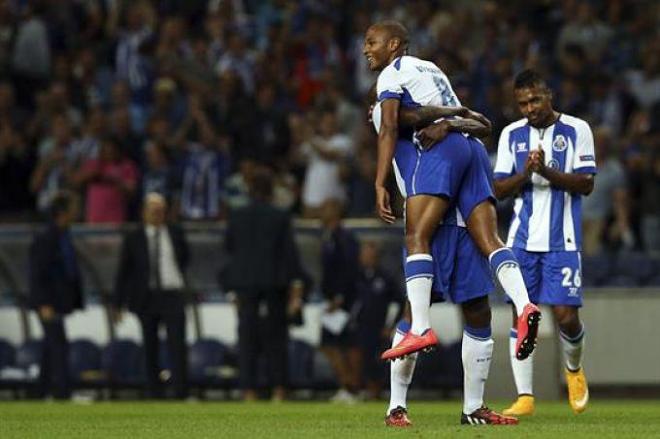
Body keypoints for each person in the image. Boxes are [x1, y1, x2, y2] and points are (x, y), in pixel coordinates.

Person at [363, 20, 540, 364]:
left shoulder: (390, 76)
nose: (365, 49)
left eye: (372, 42)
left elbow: (389, 128)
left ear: (395, 44)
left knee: (416, 237)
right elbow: (482, 124)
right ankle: (524, 304)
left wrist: (379, 182)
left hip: (442, 156)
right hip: (471, 149)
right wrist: (450, 119)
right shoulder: (433, 70)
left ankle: (421, 329)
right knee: (491, 239)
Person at [370, 101, 518, 425]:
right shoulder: (396, 128)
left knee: (478, 308)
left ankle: (473, 408)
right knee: (413, 311)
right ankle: (396, 407)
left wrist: (451, 121)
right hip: (428, 224)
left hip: (464, 222)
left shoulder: (438, 119)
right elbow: (397, 120)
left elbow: (481, 123)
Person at [493, 69, 596, 416]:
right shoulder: (511, 135)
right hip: (520, 241)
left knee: (566, 318)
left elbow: (585, 183)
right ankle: (525, 396)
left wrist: (545, 172)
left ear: (549, 94)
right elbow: (498, 190)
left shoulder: (577, 130)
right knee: (522, 316)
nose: (529, 108)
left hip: (562, 240)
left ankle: (574, 370)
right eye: (522, 103)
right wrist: (525, 173)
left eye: (535, 99)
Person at [222, 166, 305, 402]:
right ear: (271, 190)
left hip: (245, 284)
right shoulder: (279, 216)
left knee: (247, 336)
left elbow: (229, 247)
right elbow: (289, 255)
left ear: (249, 189)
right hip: (273, 284)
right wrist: (295, 288)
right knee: (276, 338)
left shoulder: (237, 216)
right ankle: (279, 388)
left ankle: (248, 389)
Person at [113, 193, 190, 399]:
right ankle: (154, 392)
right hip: (145, 297)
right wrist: (117, 304)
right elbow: (124, 272)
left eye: (160, 209)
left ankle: (180, 391)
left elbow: (184, 259)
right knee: (150, 345)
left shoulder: (175, 233)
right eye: (152, 209)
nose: (156, 213)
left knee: (177, 344)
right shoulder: (134, 238)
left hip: (172, 294)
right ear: (144, 212)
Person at [28, 191, 83, 400]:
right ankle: (62, 394)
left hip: (57, 302)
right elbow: (37, 272)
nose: (77, 211)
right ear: (62, 212)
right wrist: (43, 302)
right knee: (59, 345)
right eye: (73, 207)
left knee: (50, 347)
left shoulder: (63, 235)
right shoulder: (47, 238)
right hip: (47, 302)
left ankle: (39, 392)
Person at [317, 198, 361, 403]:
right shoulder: (330, 237)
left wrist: (340, 297)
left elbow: (350, 269)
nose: (321, 210)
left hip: (343, 302)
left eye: (326, 207)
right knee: (333, 345)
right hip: (334, 300)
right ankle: (348, 386)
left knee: (336, 345)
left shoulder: (344, 238)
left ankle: (350, 387)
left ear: (335, 211)